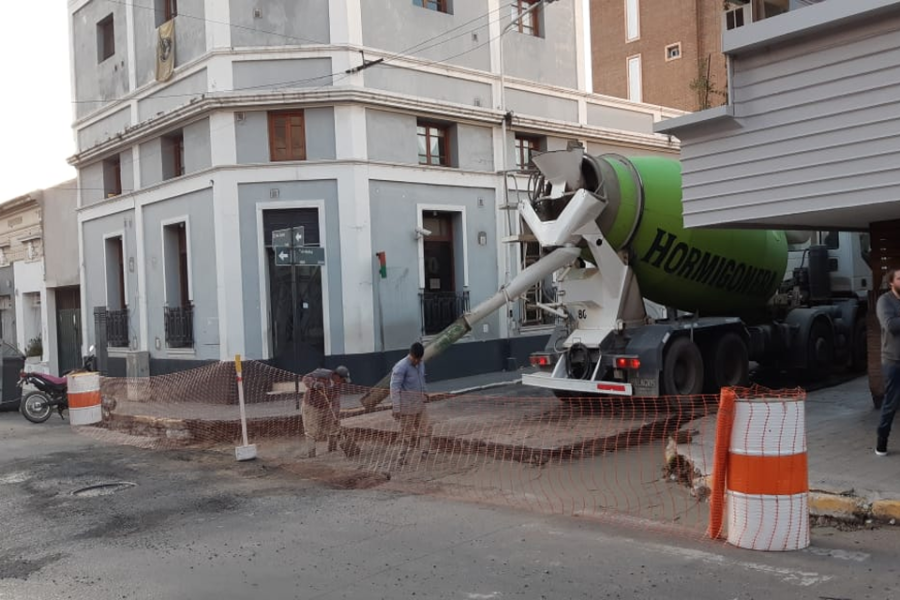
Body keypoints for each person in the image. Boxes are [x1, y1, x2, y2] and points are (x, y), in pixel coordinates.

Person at [300, 366, 358, 458]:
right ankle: (311, 455)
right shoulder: (323, 373)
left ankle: (332, 450)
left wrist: (336, 416)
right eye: (343, 380)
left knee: (333, 428)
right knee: (311, 431)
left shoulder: (338, 385)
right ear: (337, 376)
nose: (342, 382)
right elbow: (306, 378)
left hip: (325, 407)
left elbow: (336, 402)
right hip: (311, 406)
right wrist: (314, 384)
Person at [390, 342, 432, 465]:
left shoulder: (420, 364)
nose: (417, 361)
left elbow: (422, 379)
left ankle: (424, 453)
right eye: (415, 359)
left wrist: (425, 393)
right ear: (411, 355)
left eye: (419, 359)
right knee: (406, 435)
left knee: (426, 429)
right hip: (407, 406)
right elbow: (394, 388)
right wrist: (396, 407)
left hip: (419, 403)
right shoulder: (400, 367)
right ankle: (401, 458)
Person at [876, 268, 900, 456]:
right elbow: (891, 325)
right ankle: (881, 441)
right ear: (892, 282)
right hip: (894, 361)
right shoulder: (885, 301)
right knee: (891, 404)